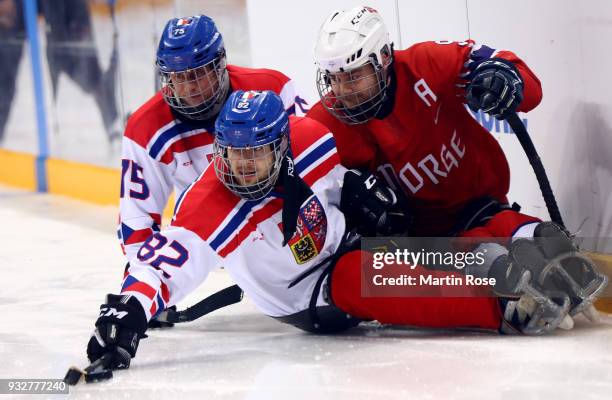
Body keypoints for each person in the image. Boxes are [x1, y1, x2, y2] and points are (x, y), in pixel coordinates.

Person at [86, 90, 592, 371]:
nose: (241, 169)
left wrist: (356, 189)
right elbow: (162, 267)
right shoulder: (208, 206)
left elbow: (334, 177)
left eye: (254, 154)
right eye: (231, 155)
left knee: (412, 234)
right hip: (311, 294)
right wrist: (129, 311)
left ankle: (520, 237)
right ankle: (502, 301)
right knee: (362, 274)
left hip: (345, 240)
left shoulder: (309, 138)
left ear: (280, 146)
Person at [306, 6, 606, 320]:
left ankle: (538, 242)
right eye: (333, 78)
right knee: (484, 252)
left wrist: (506, 78)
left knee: (530, 236)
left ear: (382, 59)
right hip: (419, 244)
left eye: (353, 76)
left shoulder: (426, 65)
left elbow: (529, 88)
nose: (341, 90)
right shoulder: (323, 125)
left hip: (478, 205)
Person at [119, 15, 298, 271]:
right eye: (178, 77)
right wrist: (144, 279)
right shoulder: (146, 127)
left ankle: (376, 287)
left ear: (220, 63)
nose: (189, 87)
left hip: (286, 226)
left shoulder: (273, 89)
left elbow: (314, 165)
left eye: (198, 73)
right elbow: (136, 216)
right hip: (213, 240)